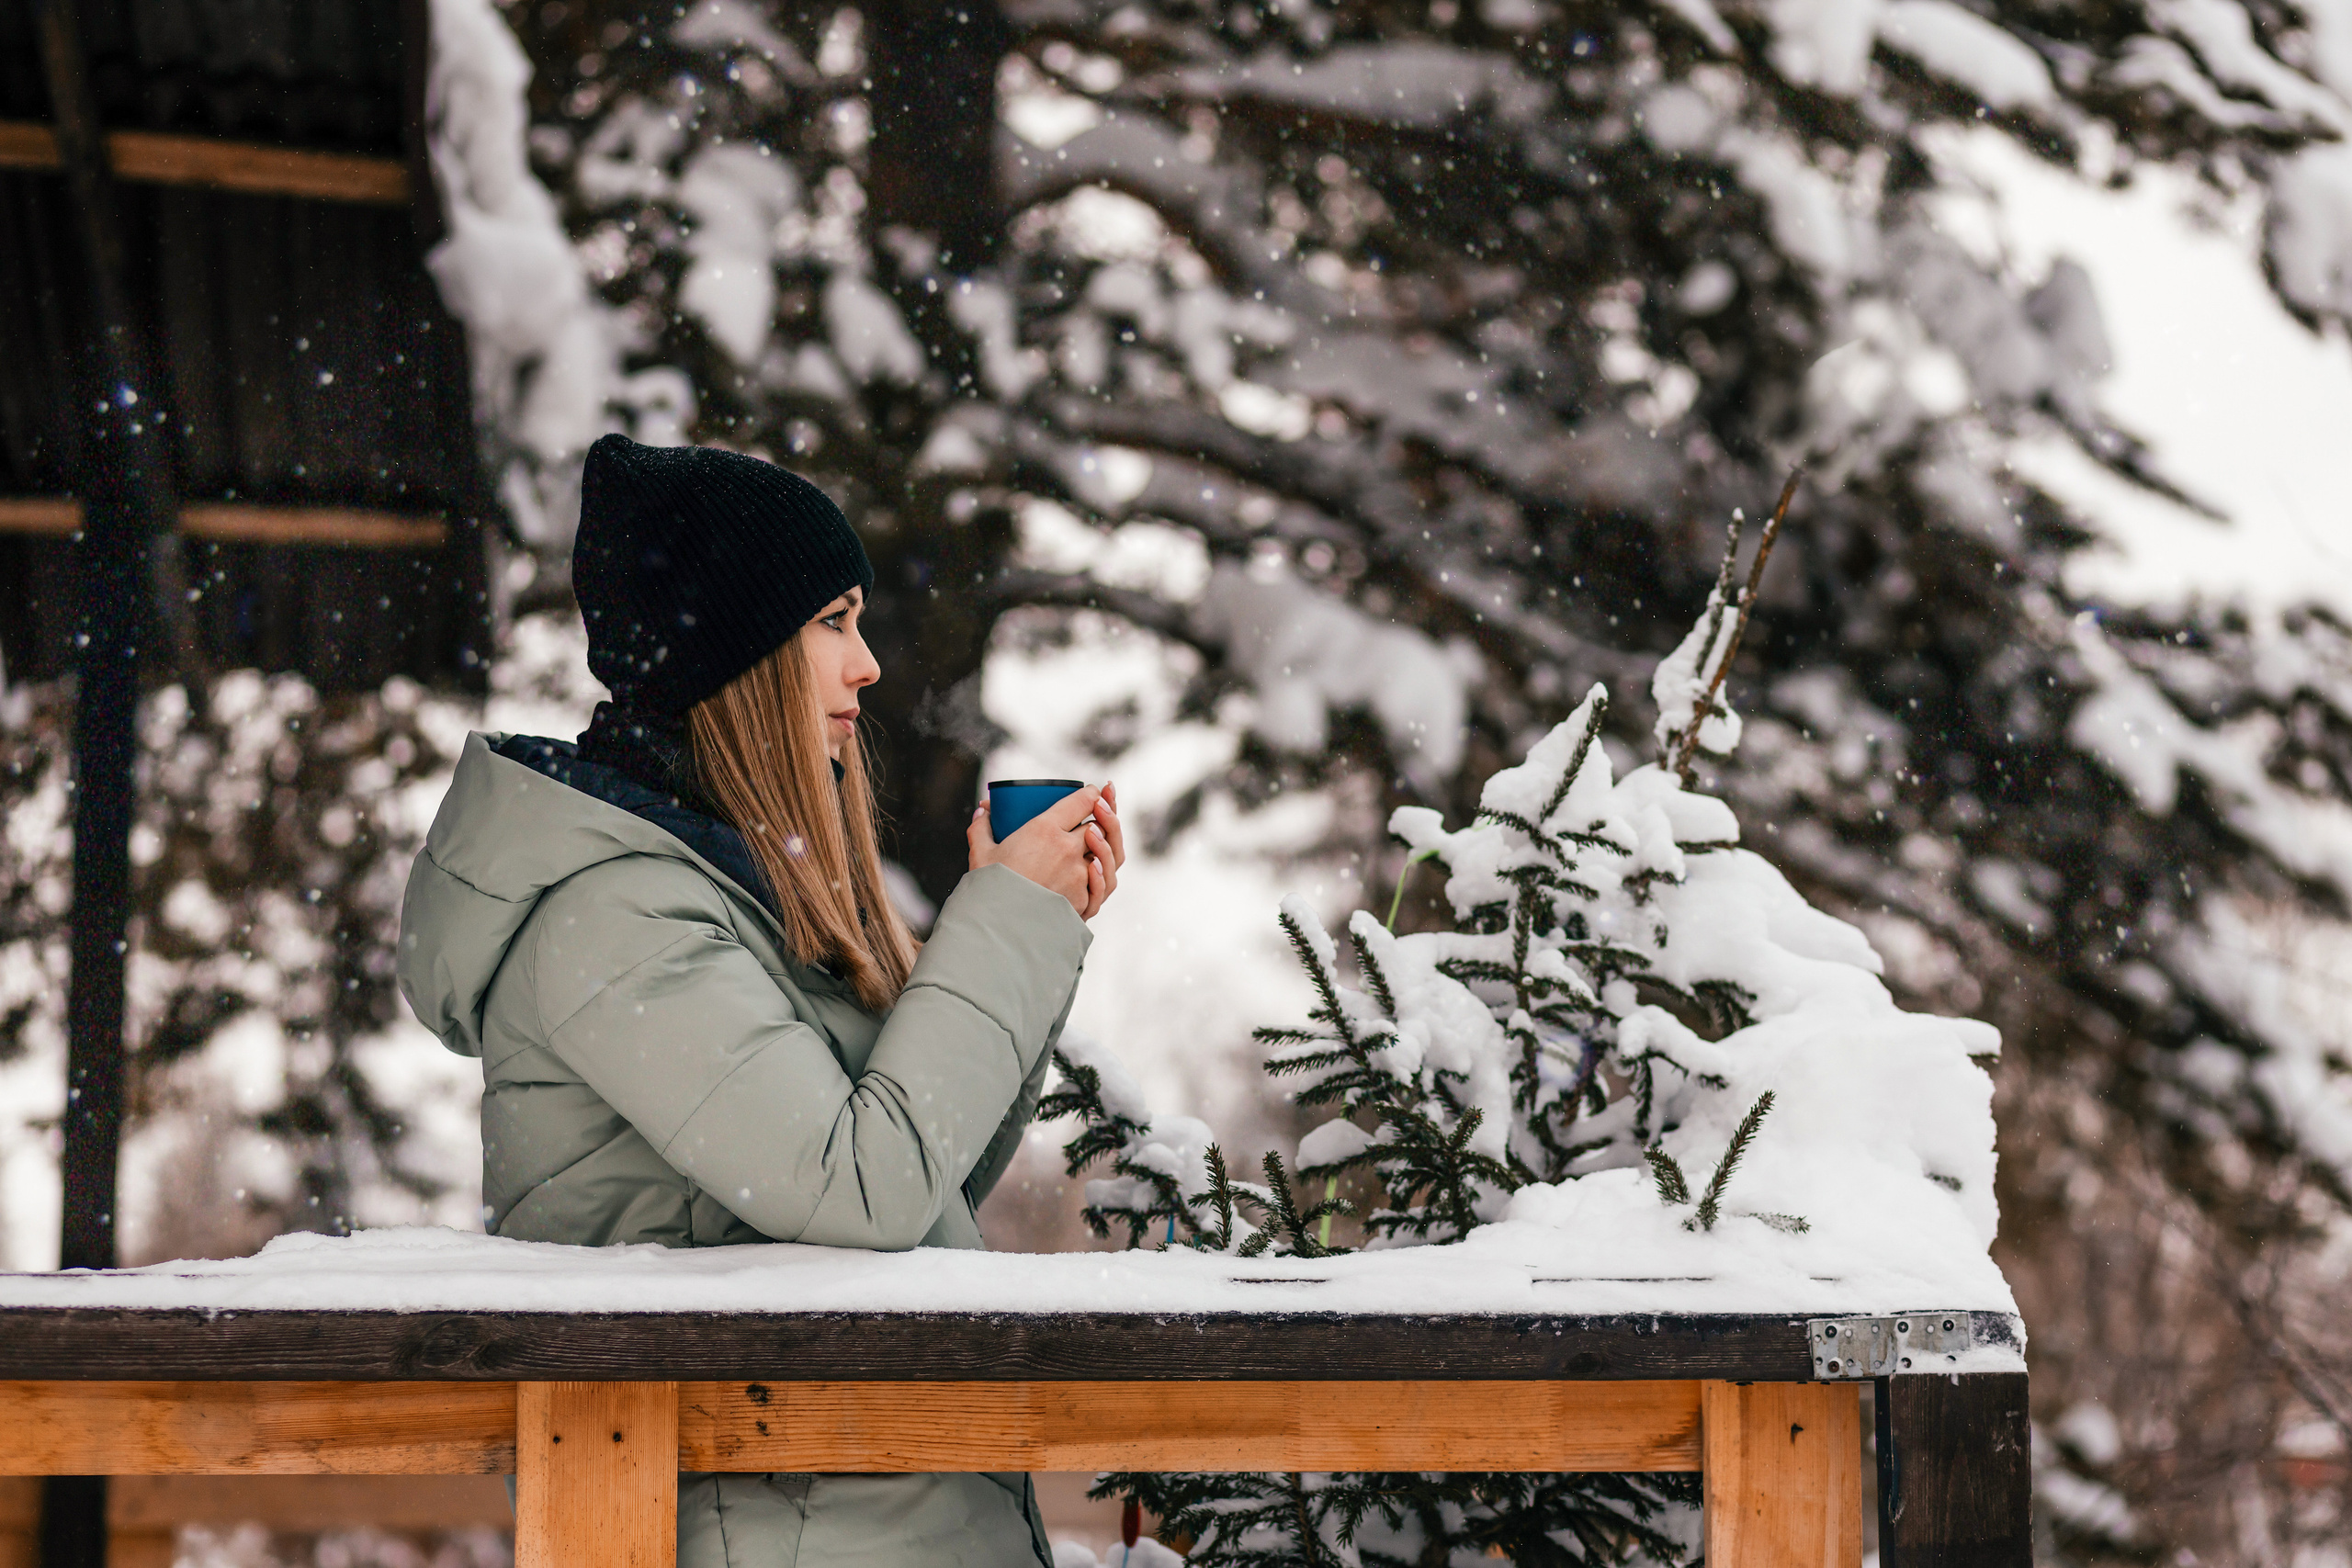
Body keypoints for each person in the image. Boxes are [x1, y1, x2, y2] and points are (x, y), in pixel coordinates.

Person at [398, 434, 1122, 1568]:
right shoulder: (617, 919)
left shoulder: (727, 891)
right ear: (734, 657)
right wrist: (1001, 925)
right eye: (832, 622)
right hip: (779, 1532)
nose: (867, 664)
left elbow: (926, 1177)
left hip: (850, 1512)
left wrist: (1030, 931)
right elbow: (865, 1189)